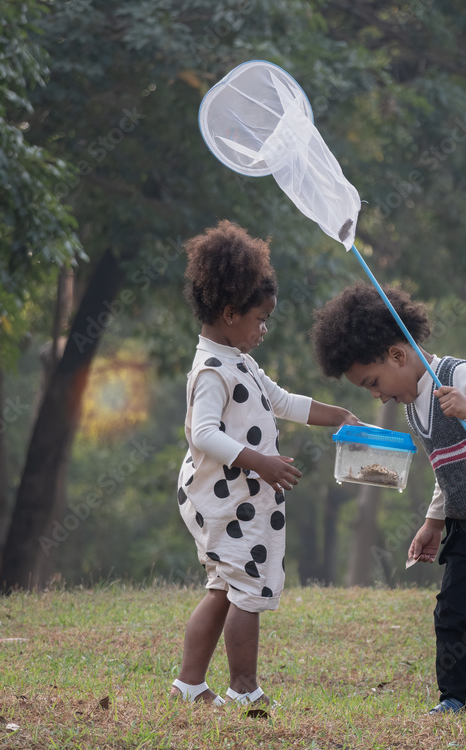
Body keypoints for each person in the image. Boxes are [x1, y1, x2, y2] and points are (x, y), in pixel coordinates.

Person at [310, 281, 466, 721]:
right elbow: (446, 470)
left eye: (373, 383)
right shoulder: (413, 407)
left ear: (397, 355)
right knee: (452, 615)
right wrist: (434, 522)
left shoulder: (458, 376)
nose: (377, 395)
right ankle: (455, 699)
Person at [171, 220, 358, 710]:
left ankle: (189, 685)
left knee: (223, 589)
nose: (263, 329)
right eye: (260, 318)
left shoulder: (239, 360)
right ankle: (244, 689)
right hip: (228, 500)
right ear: (230, 313)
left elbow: (282, 401)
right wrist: (262, 464)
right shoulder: (212, 370)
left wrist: (336, 415)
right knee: (249, 590)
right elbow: (202, 433)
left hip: (240, 497)